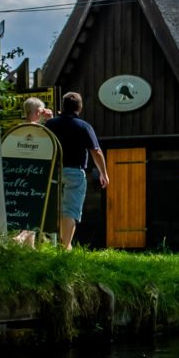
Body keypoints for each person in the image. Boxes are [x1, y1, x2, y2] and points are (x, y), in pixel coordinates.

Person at [45, 92, 109, 250]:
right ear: (79, 108)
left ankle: (63, 244)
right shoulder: (83, 126)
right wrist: (104, 173)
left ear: (63, 106)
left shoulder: (50, 124)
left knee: (57, 209)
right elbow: (96, 151)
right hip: (74, 172)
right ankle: (64, 246)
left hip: (53, 172)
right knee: (70, 210)